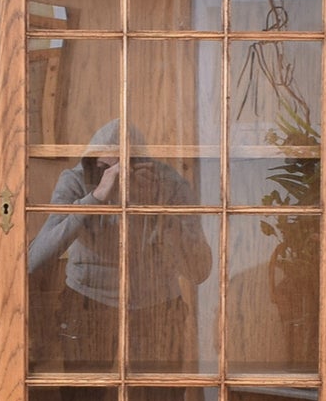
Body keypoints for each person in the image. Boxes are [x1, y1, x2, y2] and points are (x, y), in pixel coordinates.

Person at [27, 120, 212, 371]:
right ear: (91, 162)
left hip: (157, 307)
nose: (117, 176)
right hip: (87, 305)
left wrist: (156, 206)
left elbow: (199, 271)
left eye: (128, 168)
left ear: (146, 165)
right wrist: (96, 197)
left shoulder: (168, 183)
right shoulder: (76, 180)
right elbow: (35, 259)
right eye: (104, 168)